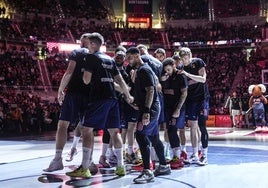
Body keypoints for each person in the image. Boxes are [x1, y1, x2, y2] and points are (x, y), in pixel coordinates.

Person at [65, 32, 133, 178]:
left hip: (99, 98)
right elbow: (120, 80)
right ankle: (120, 167)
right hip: (113, 99)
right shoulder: (110, 59)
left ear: (94, 44)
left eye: (88, 43)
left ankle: (84, 168)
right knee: (115, 132)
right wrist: (128, 96)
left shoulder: (91, 57)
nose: (86, 46)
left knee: (87, 130)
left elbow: (86, 80)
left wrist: (85, 75)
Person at [43, 33, 93, 172]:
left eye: (82, 42)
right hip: (89, 95)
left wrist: (60, 90)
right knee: (88, 130)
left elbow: (69, 71)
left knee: (62, 125)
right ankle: (88, 162)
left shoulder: (77, 52)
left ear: (83, 42)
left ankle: (57, 159)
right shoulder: (95, 55)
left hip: (74, 93)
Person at [126, 47, 171, 184]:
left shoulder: (144, 70)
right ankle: (163, 166)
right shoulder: (142, 70)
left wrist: (146, 111)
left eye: (129, 58)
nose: (128, 61)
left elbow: (151, 90)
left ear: (137, 55)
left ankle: (147, 171)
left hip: (150, 109)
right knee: (154, 138)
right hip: (151, 108)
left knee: (140, 135)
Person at [178, 47, 209, 166]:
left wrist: (187, 74)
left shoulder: (198, 62)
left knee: (202, 126)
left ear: (190, 55)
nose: (185, 61)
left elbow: (202, 79)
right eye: (183, 59)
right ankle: (195, 154)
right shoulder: (181, 68)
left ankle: (204, 155)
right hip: (190, 101)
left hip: (202, 99)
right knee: (192, 127)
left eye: (186, 58)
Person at [161, 57, 188, 169]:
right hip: (167, 107)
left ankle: (178, 156)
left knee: (173, 130)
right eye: (165, 69)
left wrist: (178, 109)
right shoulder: (165, 76)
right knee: (169, 131)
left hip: (177, 108)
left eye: (168, 69)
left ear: (174, 66)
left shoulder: (181, 76)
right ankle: (175, 155)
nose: (167, 71)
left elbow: (184, 93)